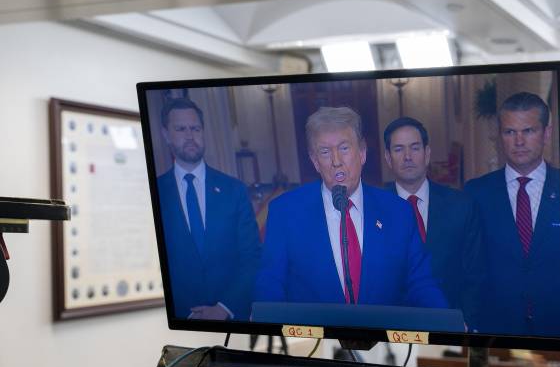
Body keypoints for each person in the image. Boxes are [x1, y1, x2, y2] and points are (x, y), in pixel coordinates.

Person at [254, 107, 447, 308]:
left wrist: (445, 324)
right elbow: (270, 283)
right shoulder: (284, 212)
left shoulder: (398, 212)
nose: (336, 161)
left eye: (344, 148)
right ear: (315, 162)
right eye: (325, 152)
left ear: (362, 153)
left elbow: (421, 282)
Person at [465, 92, 560, 338]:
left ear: (547, 134)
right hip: (494, 331)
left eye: (528, 131)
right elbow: (468, 265)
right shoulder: (476, 193)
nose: (519, 141)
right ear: (500, 137)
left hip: (553, 329)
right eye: (510, 132)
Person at [155, 97, 261, 320]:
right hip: (178, 320)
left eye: (195, 128)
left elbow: (252, 258)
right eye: (181, 129)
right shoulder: (155, 192)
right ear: (166, 134)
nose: (190, 135)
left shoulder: (234, 190)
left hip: (232, 318)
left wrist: (224, 308)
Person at [383, 116, 487, 330]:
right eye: (399, 149)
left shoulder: (462, 206)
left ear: (427, 153)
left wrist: (465, 324)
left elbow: (475, 274)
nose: (408, 157)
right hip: (392, 330)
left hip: (451, 328)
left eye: (415, 148)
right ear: (388, 157)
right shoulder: (371, 210)